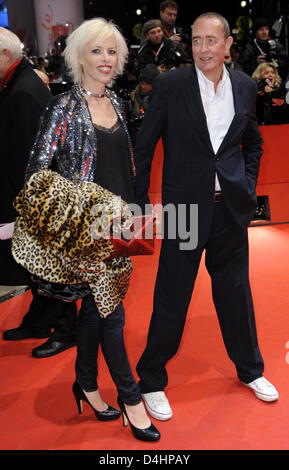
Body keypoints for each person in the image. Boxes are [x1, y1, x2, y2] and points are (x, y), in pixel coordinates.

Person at [18, 18, 160, 442]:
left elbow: (127, 167)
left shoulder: (117, 102)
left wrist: (136, 211)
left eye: (112, 51)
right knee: (112, 316)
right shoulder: (62, 107)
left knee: (97, 315)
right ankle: (131, 400)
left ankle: (86, 383)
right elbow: (36, 177)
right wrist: (85, 208)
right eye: (96, 50)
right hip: (88, 230)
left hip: (120, 230)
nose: (105, 59)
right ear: (78, 55)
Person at [134, 12, 279, 421]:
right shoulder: (171, 84)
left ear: (228, 44)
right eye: (196, 41)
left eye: (211, 41)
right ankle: (151, 380)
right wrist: (140, 204)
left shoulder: (245, 86)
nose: (202, 50)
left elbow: (253, 144)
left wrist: (246, 186)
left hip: (229, 208)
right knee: (172, 294)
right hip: (182, 208)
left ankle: (251, 371)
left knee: (235, 293)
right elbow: (144, 149)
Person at [0, 27, 77, 358]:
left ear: (5, 55)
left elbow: (40, 156)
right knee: (35, 266)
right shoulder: (19, 84)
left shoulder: (24, 91)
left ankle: (66, 330)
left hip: (38, 197)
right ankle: (38, 321)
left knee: (51, 266)